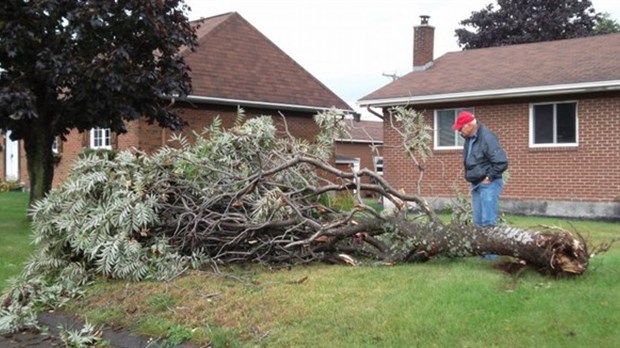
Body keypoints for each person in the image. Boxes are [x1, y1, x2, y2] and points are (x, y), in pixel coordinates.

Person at [452, 111, 508, 228]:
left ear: (469, 125)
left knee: (488, 222)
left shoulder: (487, 137)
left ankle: (491, 245)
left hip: (488, 183)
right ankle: (479, 246)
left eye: (460, 128)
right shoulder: (469, 139)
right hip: (476, 182)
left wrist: (489, 178)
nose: (459, 131)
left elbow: (501, 162)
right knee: (477, 223)